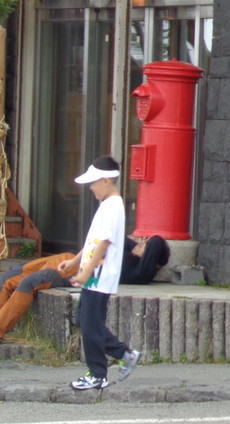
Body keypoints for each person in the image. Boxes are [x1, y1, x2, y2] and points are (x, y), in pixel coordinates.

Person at [61, 156, 140, 391]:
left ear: (106, 180)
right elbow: (93, 242)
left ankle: (98, 374)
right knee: (85, 321)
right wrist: (75, 261)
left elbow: (104, 242)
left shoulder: (113, 206)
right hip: (94, 275)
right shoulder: (107, 205)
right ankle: (124, 355)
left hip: (99, 277)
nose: (91, 188)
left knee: (91, 325)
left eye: (94, 183)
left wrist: (85, 272)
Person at [0, 235, 170, 343]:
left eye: (146, 243)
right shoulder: (131, 256)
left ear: (149, 256)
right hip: (67, 259)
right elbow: (116, 237)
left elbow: (117, 242)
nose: (141, 241)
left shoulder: (131, 269)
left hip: (70, 271)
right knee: (8, 278)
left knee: (27, 283)